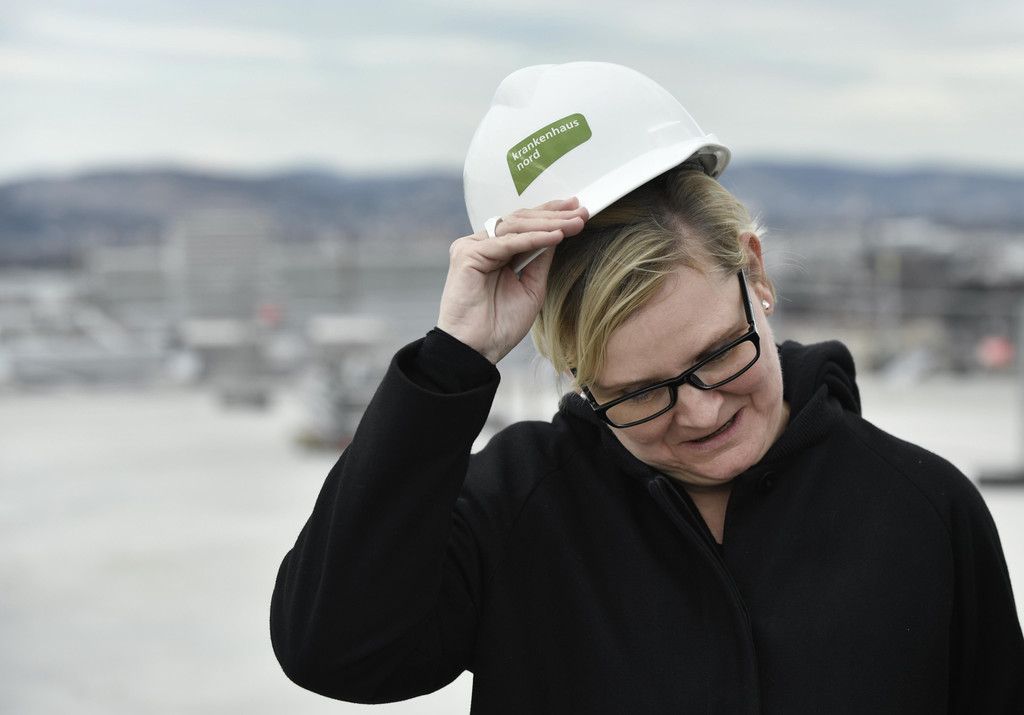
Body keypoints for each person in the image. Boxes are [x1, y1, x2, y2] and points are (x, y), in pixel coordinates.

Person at [270, 63, 1024, 713]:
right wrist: (451, 362)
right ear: (576, 373)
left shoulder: (924, 510)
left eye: (719, 353)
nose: (699, 411)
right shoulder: (518, 509)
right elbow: (334, 649)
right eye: (637, 393)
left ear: (755, 271)